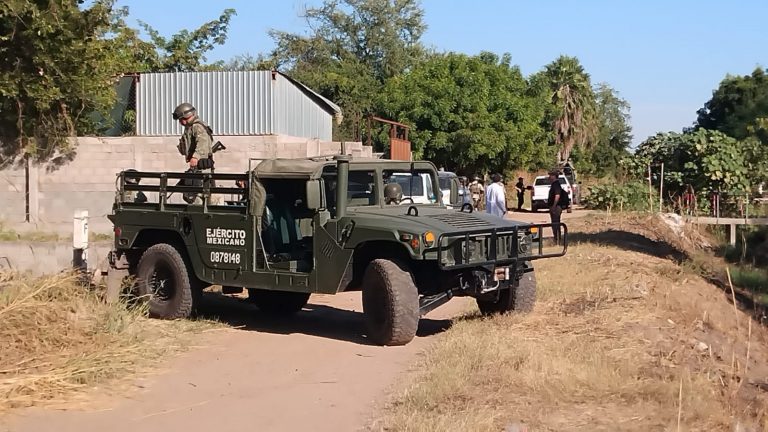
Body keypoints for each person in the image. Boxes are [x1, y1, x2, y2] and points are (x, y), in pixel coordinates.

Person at [172, 102, 219, 204]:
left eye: (181, 119)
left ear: (187, 116)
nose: (180, 122)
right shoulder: (189, 128)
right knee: (193, 193)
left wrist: (196, 157)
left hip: (202, 166)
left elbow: (202, 142)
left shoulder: (197, 126)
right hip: (197, 168)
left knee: (198, 196)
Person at [547, 169, 565, 244]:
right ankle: (556, 239)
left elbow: (557, 195)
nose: (549, 177)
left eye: (551, 175)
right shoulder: (554, 184)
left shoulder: (556, 184)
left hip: (556, 207)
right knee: (554, 223)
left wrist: (554, 206)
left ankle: (557, 239)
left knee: (555, 223)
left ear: (554, 176)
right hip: (555, 206)